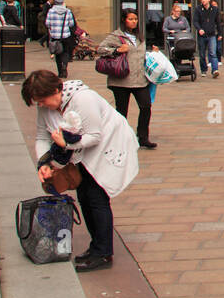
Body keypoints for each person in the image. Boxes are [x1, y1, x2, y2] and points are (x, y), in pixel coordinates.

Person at [23, 69, 139, 272]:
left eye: (42, 100)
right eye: (37, 102)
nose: (41, 105)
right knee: (84, 195)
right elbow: (42, 137)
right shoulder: (46, 107)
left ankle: (103, 252)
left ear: (57, 90)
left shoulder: (83, 99)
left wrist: (65, 144)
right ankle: (96, 247)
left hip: (108, 146)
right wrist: (43, 163)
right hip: (81, 152)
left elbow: (94, 136)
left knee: (96, 197)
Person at [98, 8, 157, 150]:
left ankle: (143, 137)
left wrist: (152, 53)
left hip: (140, 79)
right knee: (121, 111)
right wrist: (117, 50)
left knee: (146, 106)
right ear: (124, 20)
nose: (134, 22)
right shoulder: (116, 36)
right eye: (131, 19)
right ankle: (120, 137)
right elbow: (100, 49)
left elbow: (139, 55)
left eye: (135, 19)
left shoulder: (139, 36)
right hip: (121, 80)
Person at [45, 0, 77, 78]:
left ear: (55, 2)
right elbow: (71, 24)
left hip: (55, 35)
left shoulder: (51, 11)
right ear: (62, 2)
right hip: (65, 35)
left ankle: (60, 72)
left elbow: (47, 24)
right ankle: (65, 67)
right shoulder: (68, 11)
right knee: (65, 52)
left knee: (57, 54)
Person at [194, 0, 221, 77]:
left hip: (212, 34)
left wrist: (220, 34)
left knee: (213, 52)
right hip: (202, 35)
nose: (203, 1)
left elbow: (218, 22)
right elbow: (195, 21)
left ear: (209, 0)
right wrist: (199, 29)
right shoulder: (198, 9)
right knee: (202, 54)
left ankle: (215, 70)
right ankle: (203, 69)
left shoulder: (215, 9)